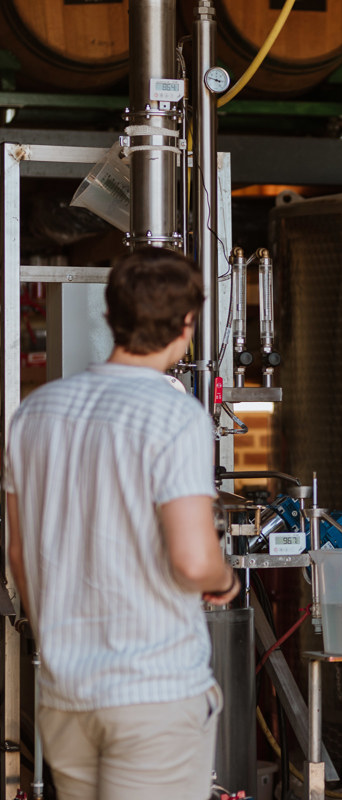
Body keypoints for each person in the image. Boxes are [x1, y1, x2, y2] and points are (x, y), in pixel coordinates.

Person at [5, 246, 240, 800]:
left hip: (65, 695)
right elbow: (191, 559)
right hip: (151, 694)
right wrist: (223, 581)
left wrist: (61, 641)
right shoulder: (174, 414)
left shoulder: (35, 412)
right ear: (188, 323)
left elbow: (19, 553)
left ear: (109, 316)